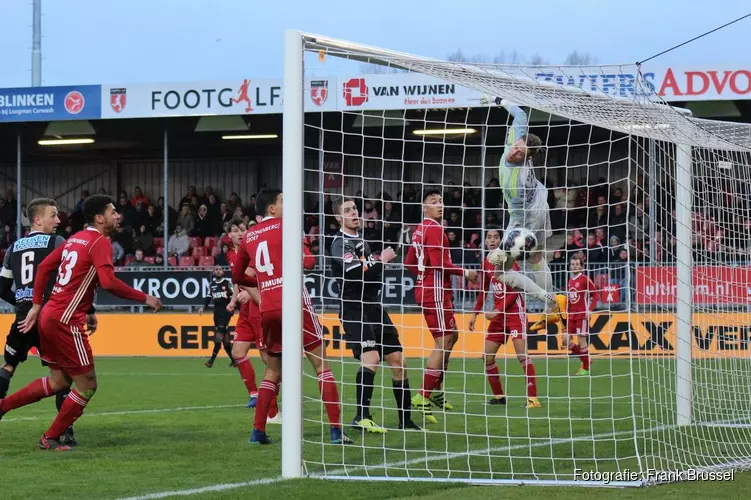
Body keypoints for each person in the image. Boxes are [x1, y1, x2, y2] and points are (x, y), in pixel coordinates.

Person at [0, 195, 162, 451]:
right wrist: (145, 297)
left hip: (49, 316)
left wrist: (37, 307)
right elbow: (108, 282)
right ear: (99, 218)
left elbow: (43, 269)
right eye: (113, 211)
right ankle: (50, 437)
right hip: (65, 321)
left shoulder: (74, 239)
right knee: (87, 385)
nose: (117, 216)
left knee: (59, 382)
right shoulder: (98, 241)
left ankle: (2, 407)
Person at [232, 188, 351, 445]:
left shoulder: (250, 234)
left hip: (269, 307)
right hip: (294, 300)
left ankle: (258, 431)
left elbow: (237, 276)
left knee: (273, 371)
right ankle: (335, 431)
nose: (287, 204)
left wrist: (263, 285)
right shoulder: (287, 227)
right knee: (321, 366)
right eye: (283, 201)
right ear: (271, 209)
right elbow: (306, 262)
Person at [329, 197, 420, 433]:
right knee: (371, 358)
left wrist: (377, 263)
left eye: (355, 209)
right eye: (347, 210)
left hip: (373, 306)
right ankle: (361, 416)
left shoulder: (361, 241)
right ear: (339, 218)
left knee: (398, 360)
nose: (354, 213)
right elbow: (354, 272)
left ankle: (405, 421)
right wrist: (381, 259)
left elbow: (368, 272)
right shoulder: (340, 243)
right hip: (353, 307)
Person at [0, 198, 80, 445]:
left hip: (24, 317)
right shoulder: (57, 242)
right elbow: (72, 276)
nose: (58, 221)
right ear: (37, 219)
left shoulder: (13, 248)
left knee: (7, 367)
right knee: (63, 375)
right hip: (50, 318)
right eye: (53, 216)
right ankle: (65, 432)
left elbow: (2, 288)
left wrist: (23, 303)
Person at [404, 188, 478, 424]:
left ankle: (434, 390)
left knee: (452, 336)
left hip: (432, 290)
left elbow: (408, 262)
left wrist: (420, 278)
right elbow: (438, 264)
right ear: (424, 208)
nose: (440, 204)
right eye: (433, 201)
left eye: (441, 201)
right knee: (443, 341)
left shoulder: (419, 230)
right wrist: (465, 272)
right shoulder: (434, 229)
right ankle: (423, 395)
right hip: (434, 292)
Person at [492, 98, 564, 331]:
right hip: (540, 200)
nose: (513, 152)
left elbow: (518, 221)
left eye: (519, 153)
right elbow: (520, 115)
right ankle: (551, 310)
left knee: (501, 270)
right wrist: (499, 100)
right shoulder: (518, 138)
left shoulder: (516, 185)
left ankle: (548, 300)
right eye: (516, 147)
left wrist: (503, 247)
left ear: (526, 158)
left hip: (527, 214)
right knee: (536, 258)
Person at [469, 229, 540, 408]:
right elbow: (483, 290)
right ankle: (499, 397)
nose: (492, 240)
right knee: (487, 356)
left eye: (496, 237)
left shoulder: (508, 260)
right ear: (485, 241)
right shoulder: (486, 262)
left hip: (515, 313)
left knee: (521, 355)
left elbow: (516, 289)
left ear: (501, 241)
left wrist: (497, 310)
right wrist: (475, 313)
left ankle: (533, 399)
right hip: (499, 316)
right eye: (489, 237)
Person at [566, 256, 598, 375]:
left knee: (581, 339)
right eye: (572, 264)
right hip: (572, 314)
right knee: (566, 340)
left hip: (582, 314)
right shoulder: (570, 280)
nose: (574, 266)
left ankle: (585, 368)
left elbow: (595, 294)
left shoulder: (584, 279)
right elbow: (571, 298)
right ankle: (586, 359)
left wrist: (589, 310)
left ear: (581, 266)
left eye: (576, 264)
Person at [200, 266, 235, 368]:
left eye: (220, 269)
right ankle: (234, 360)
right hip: (217, 314)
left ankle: (211, 360)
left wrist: (235, 308)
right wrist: (203, 307)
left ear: (223, 271)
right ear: (214, 272)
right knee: (224, 338)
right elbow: (208, 297)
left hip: (226, 313)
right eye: (216, 269)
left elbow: (234, 296)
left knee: (218, 336)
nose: (218, 271)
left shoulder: (227, 283)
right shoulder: (212, 285)